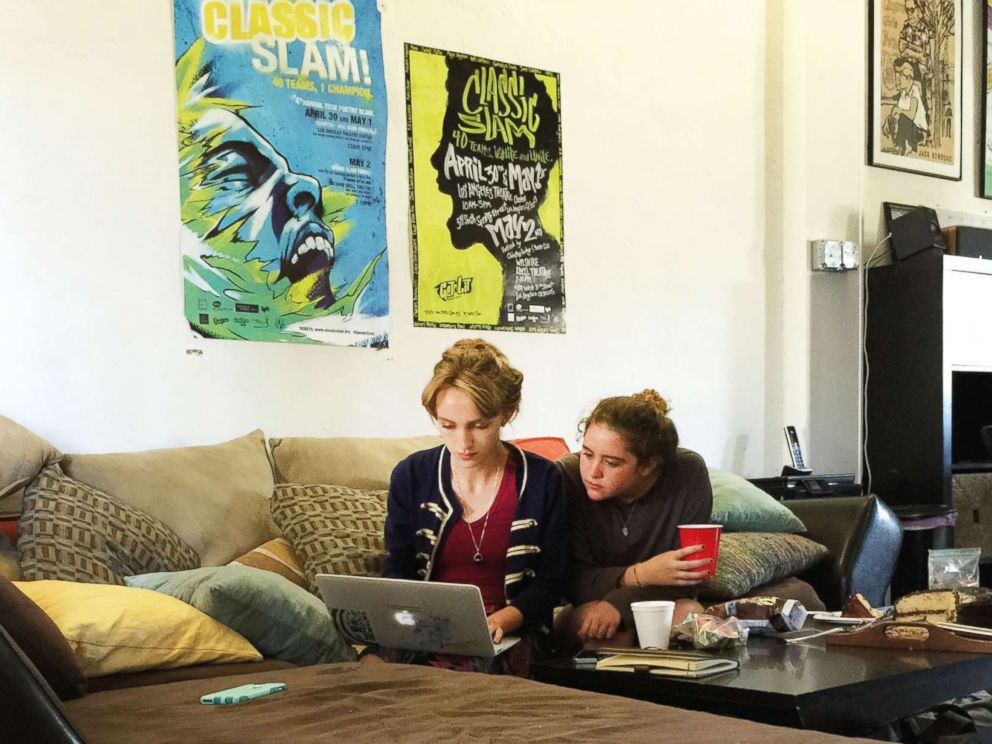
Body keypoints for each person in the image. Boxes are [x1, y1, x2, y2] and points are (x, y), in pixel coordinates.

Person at [383, 338, 566, 672]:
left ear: (505, 415)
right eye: (447, 426)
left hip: (512, 628)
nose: (463, 443)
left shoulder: (541, 478)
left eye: (479, 425)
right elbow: (399, 569)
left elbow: (553, 580)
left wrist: (505, 619)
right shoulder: (412, 474)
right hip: (429, 629)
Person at [555, 390, 713, 650]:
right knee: (607, 632)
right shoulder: (567, 476)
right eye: (587, 454)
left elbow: (689, 574)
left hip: (665, 601)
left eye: (612, 463)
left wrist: (621, 603)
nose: (593, 472)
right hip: (588, 602)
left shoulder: (687, 472)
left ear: (648, 465)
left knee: (688, 617)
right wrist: (639, 575)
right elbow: (570, 580)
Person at [887, 58, 928, 156]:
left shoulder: (914, 92)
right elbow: (897, 111)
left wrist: (899, 111)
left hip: (919, 131)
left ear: (909, 78)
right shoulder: (904, 93)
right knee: (896, 118)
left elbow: (911, 114)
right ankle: (900, 145)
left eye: (901, 77)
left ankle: (907, 147)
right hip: (909, 129)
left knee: (904, 118)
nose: (898, 81)